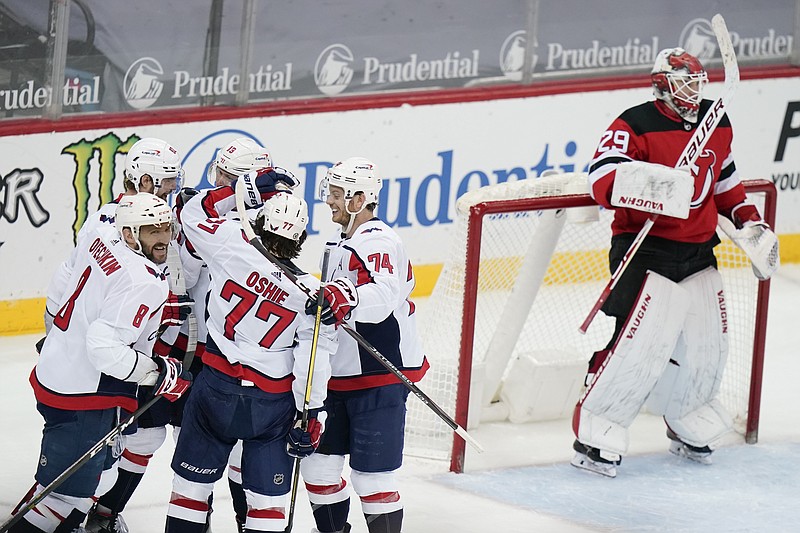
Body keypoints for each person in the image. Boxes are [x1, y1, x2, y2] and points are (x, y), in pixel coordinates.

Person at [571, 47, 779, 478]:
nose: (694, 91)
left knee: (709, 344)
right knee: (638, 346)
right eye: (685, 82)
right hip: (645, 249)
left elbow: (726, 183)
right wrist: (659, 184)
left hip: (699, 249)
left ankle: (688, 415)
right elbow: (600, 178)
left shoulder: (715, 121)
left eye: (698, 82)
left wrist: (749, 224)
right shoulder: (635, 123)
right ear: (662, 83)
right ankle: (597, 426)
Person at [90, 137, 277, 533]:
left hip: (218, 359)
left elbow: (189, 272)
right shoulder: (186, 212)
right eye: (220, 176)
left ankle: (224, 523)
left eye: (226, 178)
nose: (217, 184)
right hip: (176, 345)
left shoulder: (223, 226)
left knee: (214, 453)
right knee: (150, 437)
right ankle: (104, 512)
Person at [165, 169, 336, 533]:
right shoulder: (309, 292)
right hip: (270, 407)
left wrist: (240, 189)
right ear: (301, 237)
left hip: (215, 389)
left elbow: (193, 214)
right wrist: (312, 413)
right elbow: (312, 359)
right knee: (267, 504)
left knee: (190, 492)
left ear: (259, 220)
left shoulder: (232, 241)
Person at [9, 193, 191, 533]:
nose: (163, 237)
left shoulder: (102, 240)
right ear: (130, 233)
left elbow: (95, 291)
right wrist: (157, 373)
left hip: (57, 370)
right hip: (84, 394)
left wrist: (155, 313)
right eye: (152, 230)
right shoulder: (145, 279)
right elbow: (104, 349)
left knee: (102, 474)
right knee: (63, 497)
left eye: (166, 228)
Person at [300, 157, 429, 533]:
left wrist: (345, 296)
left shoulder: (379, 240)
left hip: (378, 376)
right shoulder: (344, 242)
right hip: (338, 375)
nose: (331, 202)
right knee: (318, 468)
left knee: (372, 480)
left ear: (360, 198)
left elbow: (384, 296)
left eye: (338, 195)